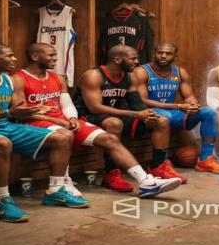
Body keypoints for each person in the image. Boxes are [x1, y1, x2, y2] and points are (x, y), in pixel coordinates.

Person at [13, 43, 181, 198]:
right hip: (37, 123)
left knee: (109, 139)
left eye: (55, 55)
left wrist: (71, 118)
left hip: (63, 121)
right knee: (66, 135)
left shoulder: (58, 78)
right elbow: (21, 113)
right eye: (51, 55)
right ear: (35, 56)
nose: (55, 58)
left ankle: (146, 181)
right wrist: (59, 121)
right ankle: (61, 184)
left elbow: (67, 104)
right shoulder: (18, 79)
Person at [0, 43, 89, 223]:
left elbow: (18, 111)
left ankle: (56, 191)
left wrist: (36, 111)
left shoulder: (9, 80)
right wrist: (8, 113)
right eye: (9, 55)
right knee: (2, 143)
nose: (14, 59)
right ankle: (2, 201)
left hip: (5, 125)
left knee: (63, 137)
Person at [74, 45, 187, 183]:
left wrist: (147, 114)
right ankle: (111, 173)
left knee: (161, 120)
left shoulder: (130, 76)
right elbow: (95, 108)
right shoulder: (94, 75)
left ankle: (158, 166)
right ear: (117, 60)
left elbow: (135, 103)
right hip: (87, 117)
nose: (137, 62)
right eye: (133, 59)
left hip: (118, 114)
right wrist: (135, 114)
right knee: (114, 123)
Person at [134, 42, 219, 173]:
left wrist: (193, 105)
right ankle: (161, 164)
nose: (163, 56)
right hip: (151, 112)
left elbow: (189, 96)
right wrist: (178, 106)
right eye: (160, 53)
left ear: (175, 56)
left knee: (209, 113)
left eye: (168, 54)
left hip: (172, 112)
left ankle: (205, 160)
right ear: (154, 54)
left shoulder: (180, 72)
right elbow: (143, 101)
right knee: (165, 117)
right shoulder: (141, 72)